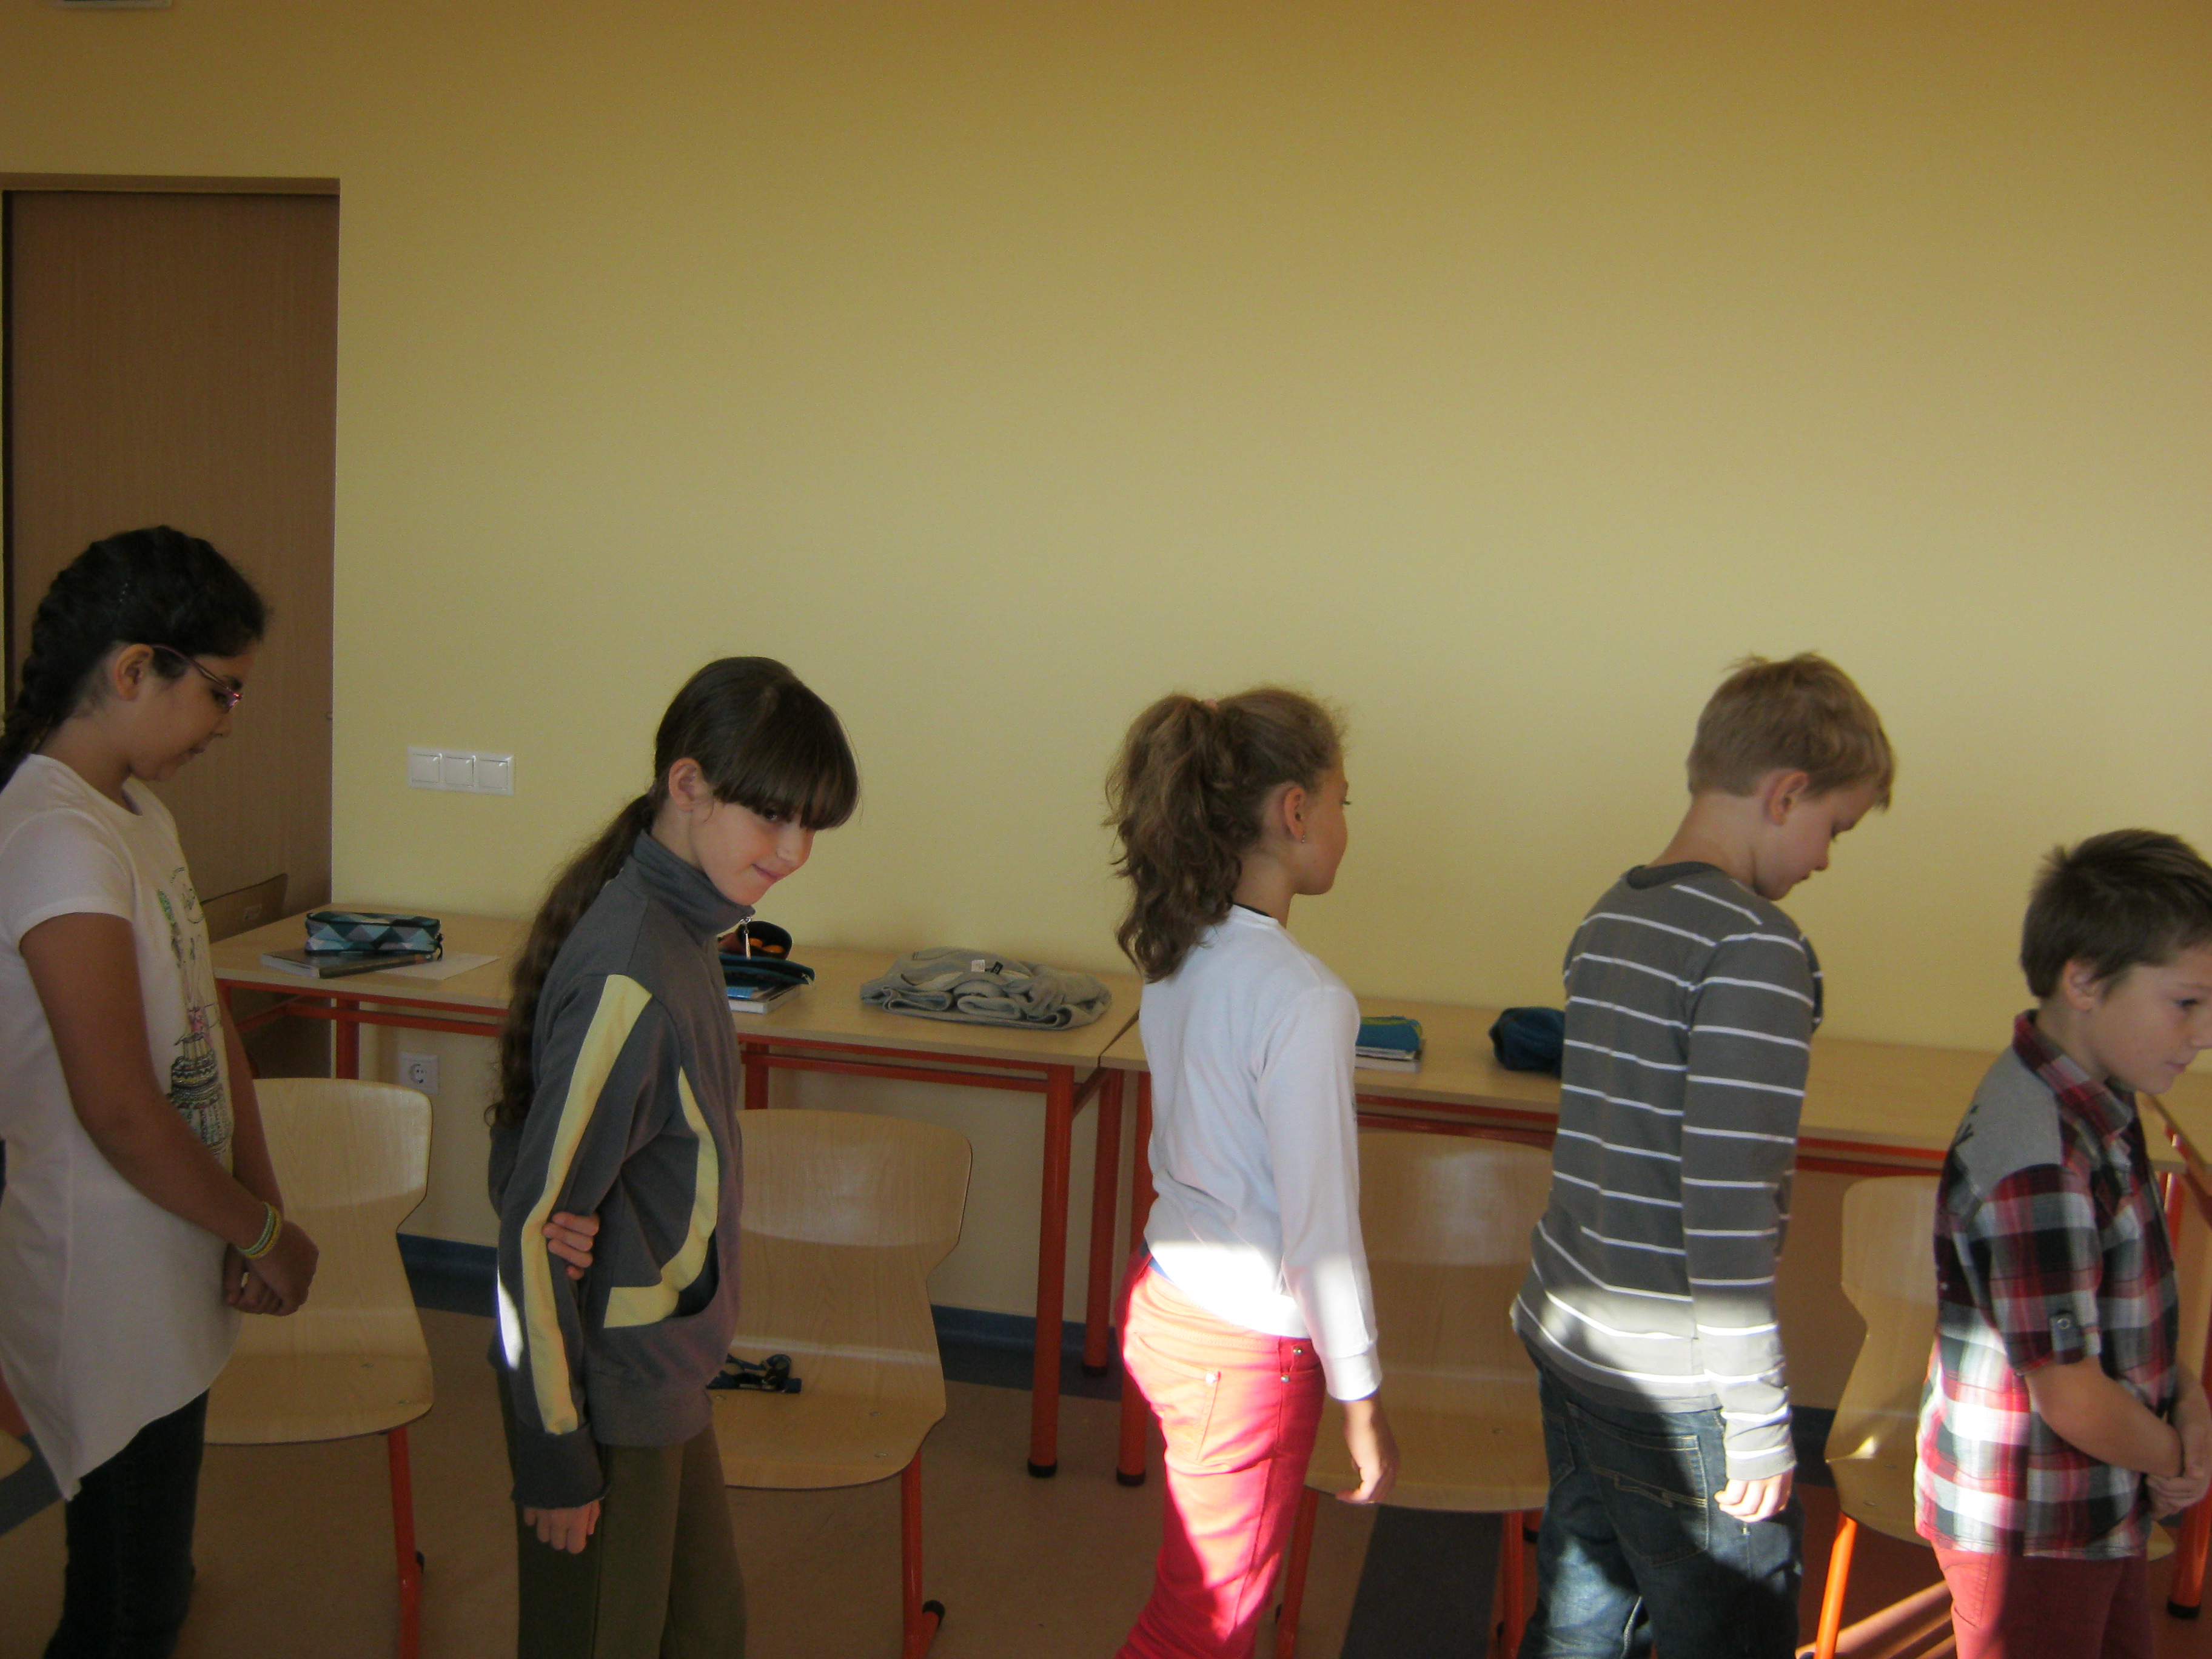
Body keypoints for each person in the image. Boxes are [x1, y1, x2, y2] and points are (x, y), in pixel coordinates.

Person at [1512, 652, 1894, 1658]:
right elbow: (1726, 1212)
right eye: (1834, 828)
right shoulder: (1755, 948)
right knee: (1729, 1631)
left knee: (1583, 1618)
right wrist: (1760, 1424)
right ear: (1786, 793)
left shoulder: (1612, 915)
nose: (1825, 860)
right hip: (1677, 1391)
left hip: (1573, 1342)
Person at [489, 655, 858, 1659]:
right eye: (771, 816)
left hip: (666, 1375)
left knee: (705, 1631)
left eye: (811, 826)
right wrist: (555, 1453)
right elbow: (530, 1230)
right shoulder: (635, 969)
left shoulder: (686, 928)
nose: (794, 851)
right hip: (607, 1393)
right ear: (687, 786)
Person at [0, 527, 318, 1658]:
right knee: (124, 1605)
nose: (229, 723)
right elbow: (121, 1113)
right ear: (136, 668)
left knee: (152, 1568)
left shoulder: (136, 813)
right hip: (104, 1274)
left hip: (173, 1240)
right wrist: (263, 1231)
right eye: (221, 691)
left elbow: (203, 1017)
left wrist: (258, 1197)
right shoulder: (53, 835)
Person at [1105, 688, 1398, 1659]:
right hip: (1242, 1350)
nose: (1348, 823)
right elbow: (1322, 1231)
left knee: (1200, 1603)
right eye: (1344, 800)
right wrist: (1362, 1398)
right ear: (1295, 811)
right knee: (1205, 1628)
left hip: (1166, 1304)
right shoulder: (1306, 998)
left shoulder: (1178, 950)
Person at [1915, 830, 2212, 1659]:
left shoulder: (2101, 1098)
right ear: (2083, 980)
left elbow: (2118, 1311)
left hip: (2095, 1499)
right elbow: (2072, 1395)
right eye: (2186, 1003)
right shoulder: (2038, 1159)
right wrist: (2176, 1454)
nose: (2205, 1033)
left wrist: (2186, 1399)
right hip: (2031, 1528)